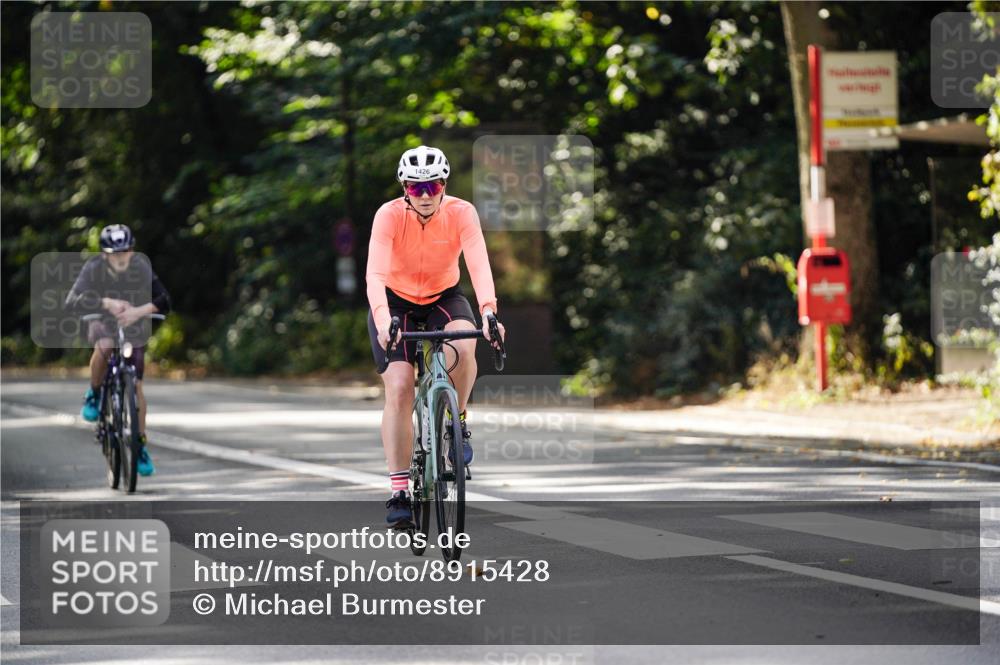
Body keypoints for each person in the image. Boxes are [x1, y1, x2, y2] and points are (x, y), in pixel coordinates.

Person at [367, 145, 505, 527]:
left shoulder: (462, 213)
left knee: (464, 343)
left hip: (444, 297)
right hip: (394, 304)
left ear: (445, 185)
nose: (425, 195)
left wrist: (490, 310)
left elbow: (478, 264)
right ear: (404, 188)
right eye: (416, 188)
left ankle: (456, 418)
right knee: (399, 386)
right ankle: (398, 492)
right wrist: (383, 321)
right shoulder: (389, 216)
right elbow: (375, 276)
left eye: (433, 186)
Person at [65, 224, 171, 476]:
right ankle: (94, 392)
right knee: (104, 345)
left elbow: (163, 300)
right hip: (101, 321)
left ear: (132, 251)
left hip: (132, 325)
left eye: (124, 252)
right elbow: (72, 300)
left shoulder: (141, 267)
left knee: (136, 385)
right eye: (114, 253)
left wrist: (138, 312)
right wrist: (105, 303)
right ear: (104, 254)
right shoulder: (93, 269)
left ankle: (139, 443)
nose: (120, 257)